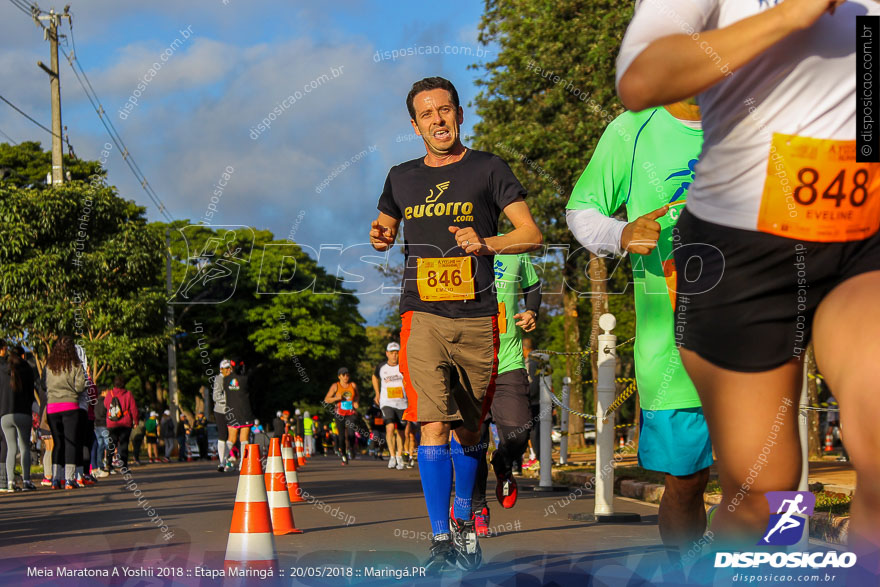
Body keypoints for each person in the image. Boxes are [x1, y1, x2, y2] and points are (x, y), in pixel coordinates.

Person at [616, 0, 880, 558]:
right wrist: (792, 15)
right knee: (767, 492)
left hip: (864, 235)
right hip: (739, 247)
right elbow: (641, 78)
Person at [369, 76, 542, 572]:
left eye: (445, 110)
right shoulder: (400, 177)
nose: (438, 120)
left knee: (470, 430)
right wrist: (381, 235)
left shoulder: (489, 168)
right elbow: (384, 227)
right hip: (421, 312)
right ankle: (441, 537)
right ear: (414, 124)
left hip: (479, 314)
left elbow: (530, 233)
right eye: (427, 114)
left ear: (459, 114)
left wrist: (487, 243)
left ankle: (465, 522)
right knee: (433, 422)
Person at [566, 99, 713, 547]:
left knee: (770, 477)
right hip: (672, 349)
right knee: (687, 483)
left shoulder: (761, 110)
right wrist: (622, 233)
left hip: (761, 333)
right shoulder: (631, 130)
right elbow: (582, 210)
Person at [471, 250, 542, 537]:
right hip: (468, 364)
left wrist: (531, 310)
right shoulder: (453, 247)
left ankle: (503, 463)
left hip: (509, 363)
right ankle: (478, 509)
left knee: (519, 434)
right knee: (473, 443)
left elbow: (534, 284)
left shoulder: (515, 250)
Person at [44, 336, 87, 489]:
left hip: (52, 407)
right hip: (70, 406)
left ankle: (55, 479)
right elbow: (81, 386)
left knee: (58, 443)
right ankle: (69, 479)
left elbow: (45, 385)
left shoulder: (49, 365)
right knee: (71, 443)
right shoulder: (75, 365)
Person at [0, 344, 37, 491]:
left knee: (11, 448)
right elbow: (30, 392)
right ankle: (26, 481)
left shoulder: (3, 370)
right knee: (24, 447)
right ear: (22, 356)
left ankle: (10, 483)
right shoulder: (27, 369)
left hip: (5, 414)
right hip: (23, 413)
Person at [373, 342, 408, 470]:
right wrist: (377, 393)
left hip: (402, 403)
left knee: (401, 431)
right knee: (390, 427)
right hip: (387, 402)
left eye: (397, 352)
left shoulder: (404, 366)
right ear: (387, 353)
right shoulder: (381, 367)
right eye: (392, 353)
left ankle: (399, 455)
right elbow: (374, 377)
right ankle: (392, 456)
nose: (394, 355)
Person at [324, 367, 360, 465]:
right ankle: (343, 455)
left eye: (347, 375)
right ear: (339, 376)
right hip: (339, 414)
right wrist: (336, 398)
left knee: (352, 434)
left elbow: (357, 395)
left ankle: (352, 449)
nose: (345, 377)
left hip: (351, 413)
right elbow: (326, 399)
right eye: (343, 375)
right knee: (341, 436)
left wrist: (356, 402)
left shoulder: (352, 385)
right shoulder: (335, 386)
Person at [224, 359, 254, 471]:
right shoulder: (245, 379)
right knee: (244, 438)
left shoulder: (226, 380)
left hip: (231, 412)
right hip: (245, 412)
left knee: (230, 439)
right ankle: (243, 463)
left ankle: (225, 462)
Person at [104, 376, 139, 474]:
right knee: (124, 445)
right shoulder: (128, 394)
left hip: (112, 423)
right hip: (125, 423)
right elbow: (134, 409)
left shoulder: (109, 394)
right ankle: (124, 466)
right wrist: (136, 421)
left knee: (111, 444)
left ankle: (108, 464)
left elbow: (106, 405)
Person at [213, 360, 233, 471]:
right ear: (221, 369)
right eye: (226, 368)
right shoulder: (219, 379)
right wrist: (228, 399)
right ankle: (222, 462)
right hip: (221, 411)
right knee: (222, 436)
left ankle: (226, 460)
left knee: (231, 436)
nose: (228, 370)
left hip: (230, 411)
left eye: (229, 368)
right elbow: (215, 397)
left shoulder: (231, 379)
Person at [92, 388, 109, 477]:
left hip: (96, 425)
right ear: (103, 392)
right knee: (108, 445)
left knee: (100, 446)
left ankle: (100, 464)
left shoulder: (95, 402)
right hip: (104, 424)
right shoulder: (105, 402)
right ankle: (108, 464)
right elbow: (106, 413)